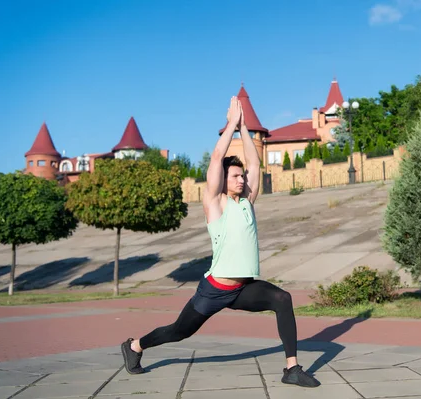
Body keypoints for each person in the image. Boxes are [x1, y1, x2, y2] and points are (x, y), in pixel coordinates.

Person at [120, 96, 321, 388]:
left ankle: (291, 368)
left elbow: (255, 161)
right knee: (179, 331)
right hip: (214, 290)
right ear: (224, 180)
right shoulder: (216, 204)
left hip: (242, 288)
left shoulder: (247, 203)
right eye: (236, 176)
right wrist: (230, 124)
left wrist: (244, 129)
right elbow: (217, 159)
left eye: (242, 177)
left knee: (282, 299)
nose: (242, 180)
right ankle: (135, 345)